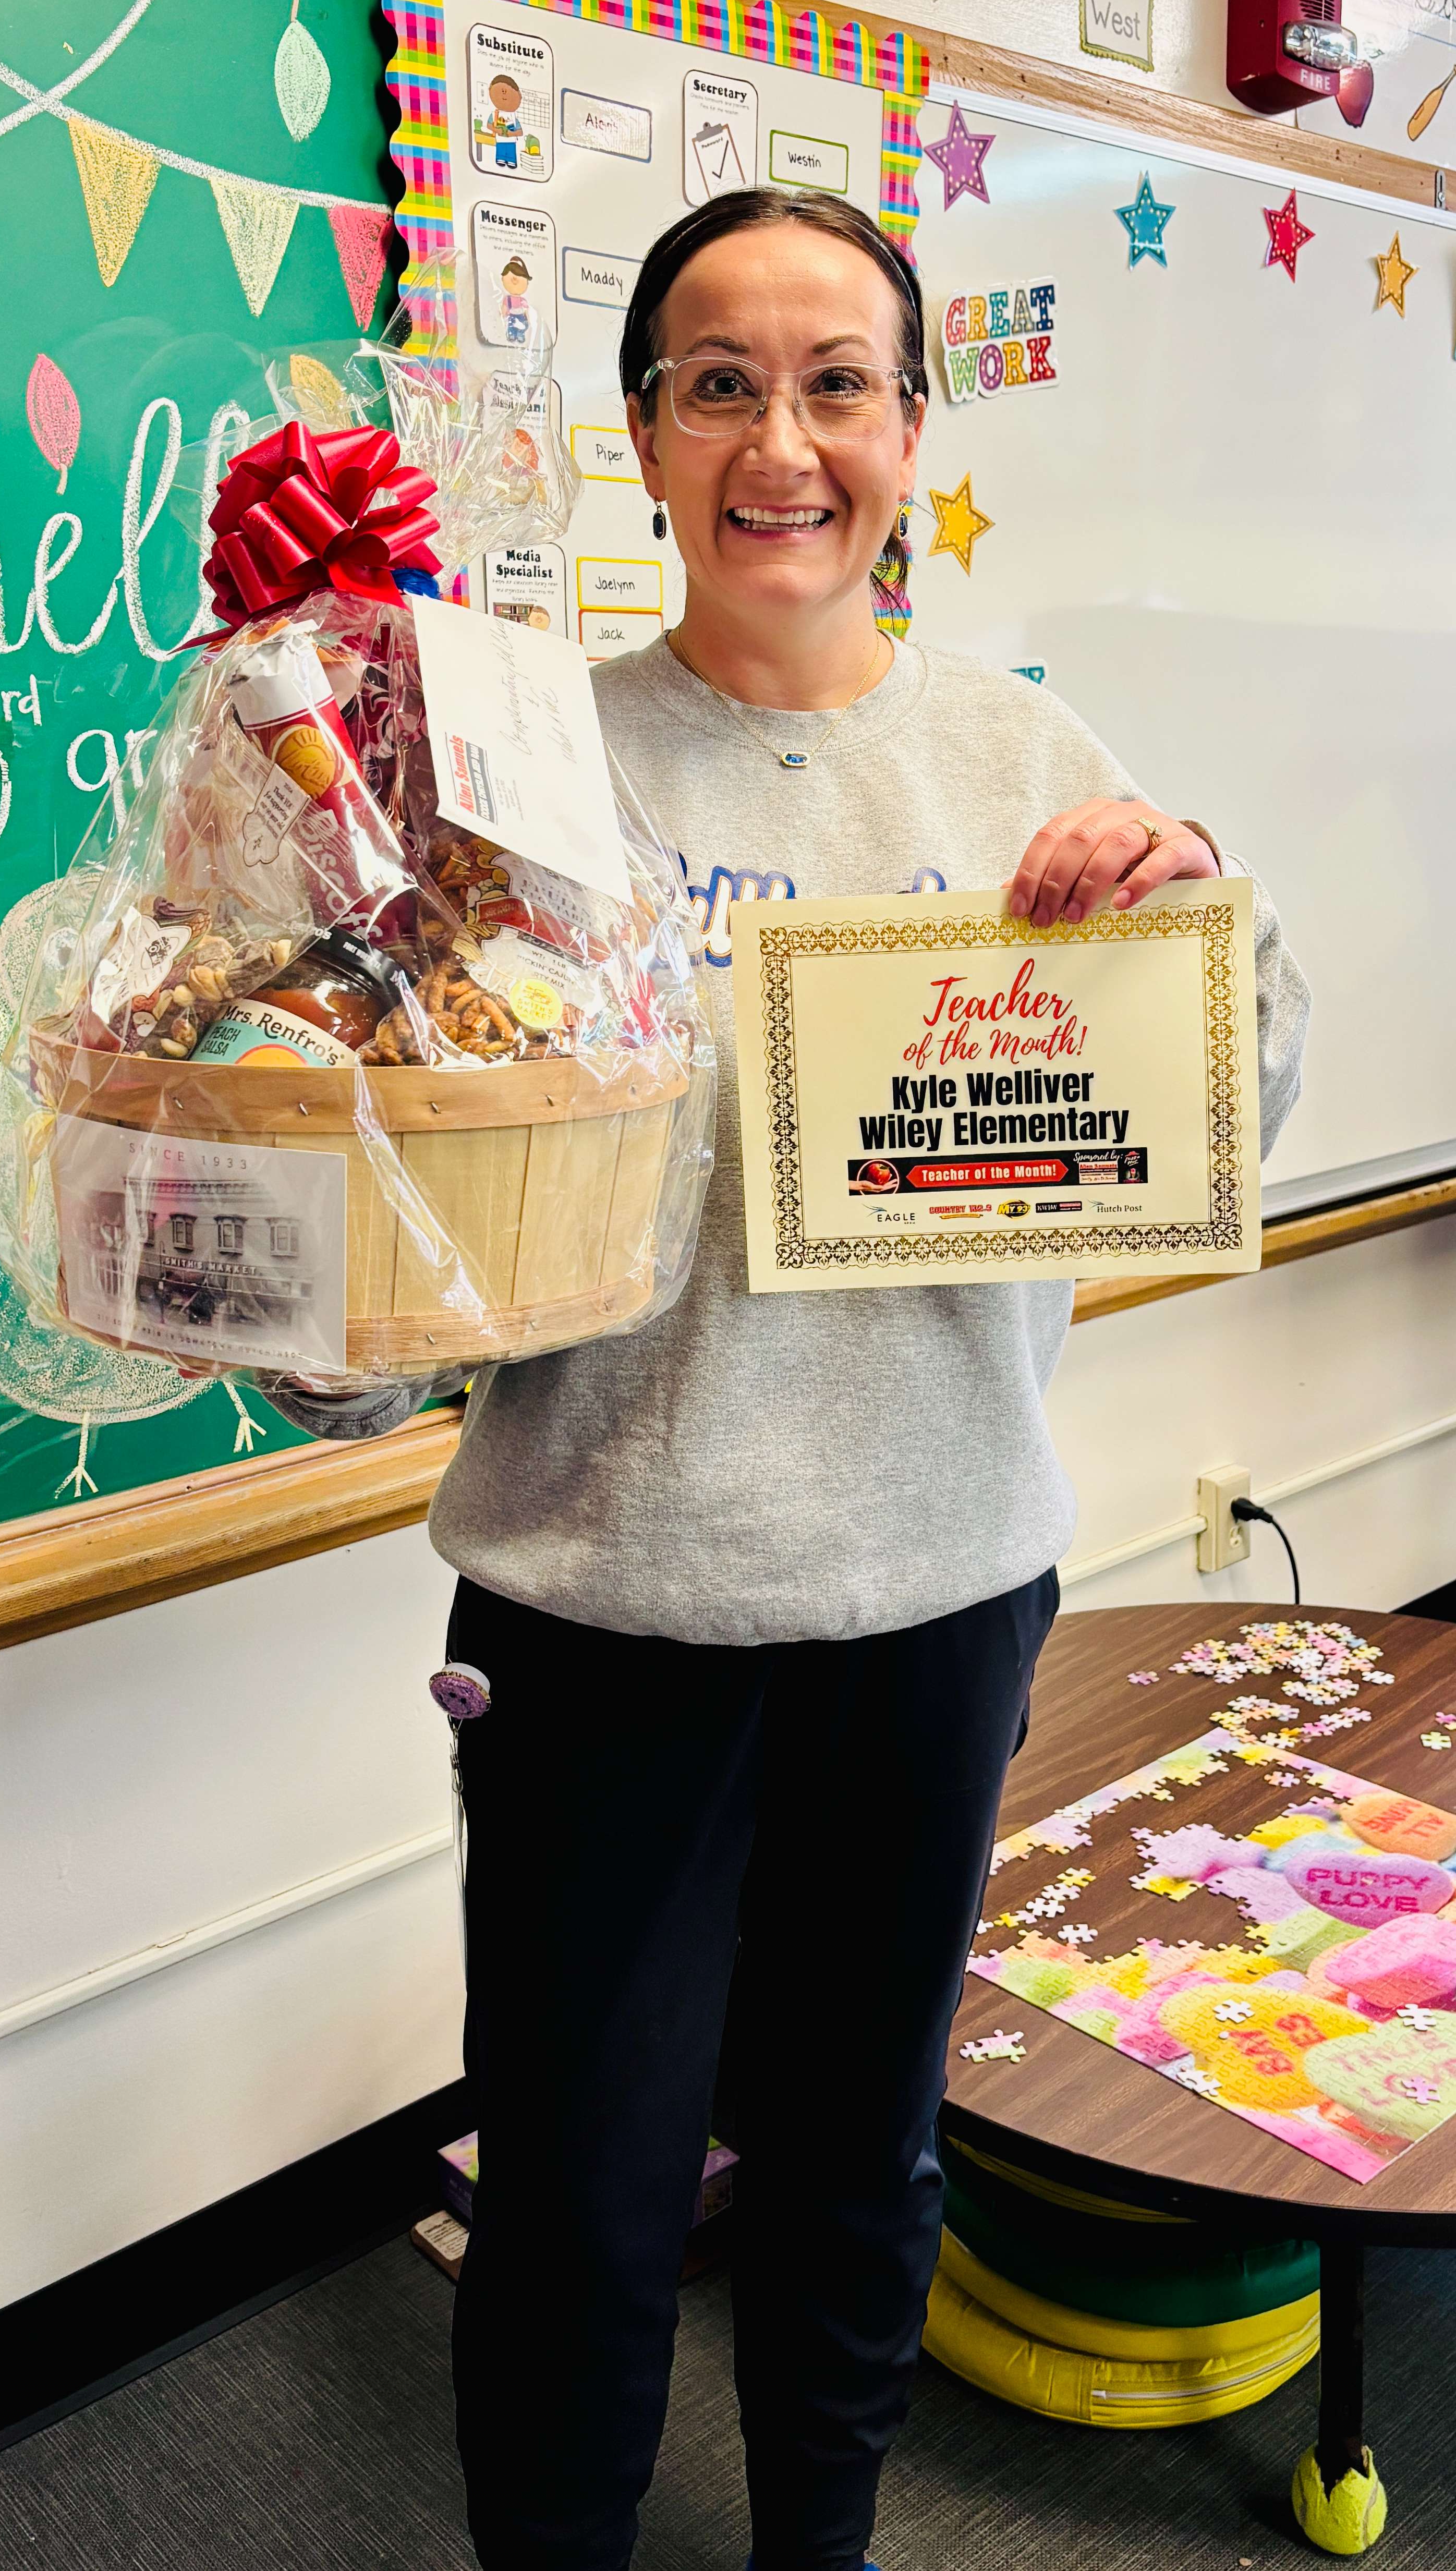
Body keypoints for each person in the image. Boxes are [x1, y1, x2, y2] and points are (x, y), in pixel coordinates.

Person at [427, 189, 1311, 2571]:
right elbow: (414, 1193)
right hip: (604, 1613)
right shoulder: (517, 776)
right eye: (721, 382)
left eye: (838, 382)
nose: (781, 439)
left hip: (935, 1600)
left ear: (914, 429)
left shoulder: (1029, 757)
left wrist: (1199, 898)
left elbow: (1253, 1075)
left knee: (859, 2158)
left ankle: (822, 2539)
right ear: (642, 436)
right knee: (586, 2208)